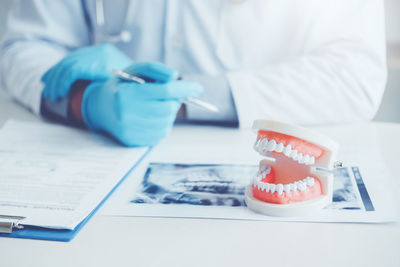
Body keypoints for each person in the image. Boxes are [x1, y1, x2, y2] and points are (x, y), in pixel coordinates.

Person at [0, 0, 387, 147]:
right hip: (87, 155)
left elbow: (354, 74)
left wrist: (182, 99)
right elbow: (25, 44)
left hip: (256, 160)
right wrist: (87, 100)